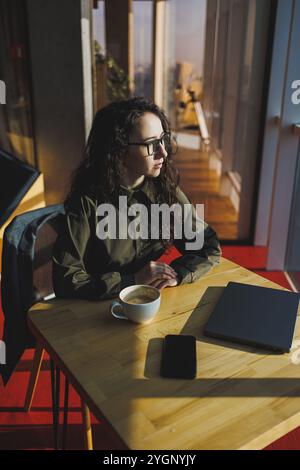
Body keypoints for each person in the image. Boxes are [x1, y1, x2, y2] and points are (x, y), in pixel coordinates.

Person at [52, 97, 221, 301]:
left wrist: (177, 274)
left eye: (163, 139)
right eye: (151, 144)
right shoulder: (87, 201)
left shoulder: (165, 190)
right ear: (119, 149)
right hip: (98, 310)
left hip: (150, 302)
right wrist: (131, 281)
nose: (163, 152)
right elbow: (65, 280)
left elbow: (207, 246)